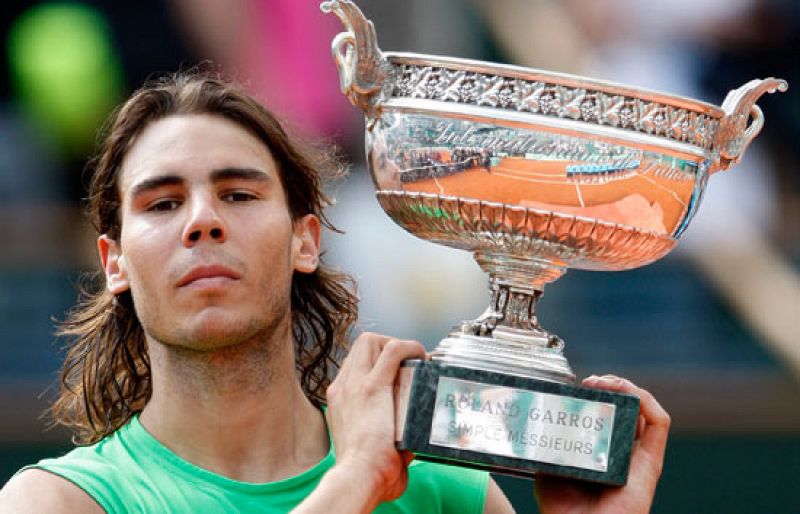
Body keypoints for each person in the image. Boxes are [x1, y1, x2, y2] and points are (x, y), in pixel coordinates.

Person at [0, 71, 670, 513]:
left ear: (306, 241)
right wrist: (352, 483)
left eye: (239, 194)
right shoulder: (57, 501)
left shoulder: (445, 493)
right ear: (114, 263)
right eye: (163, 203)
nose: (203, 220)